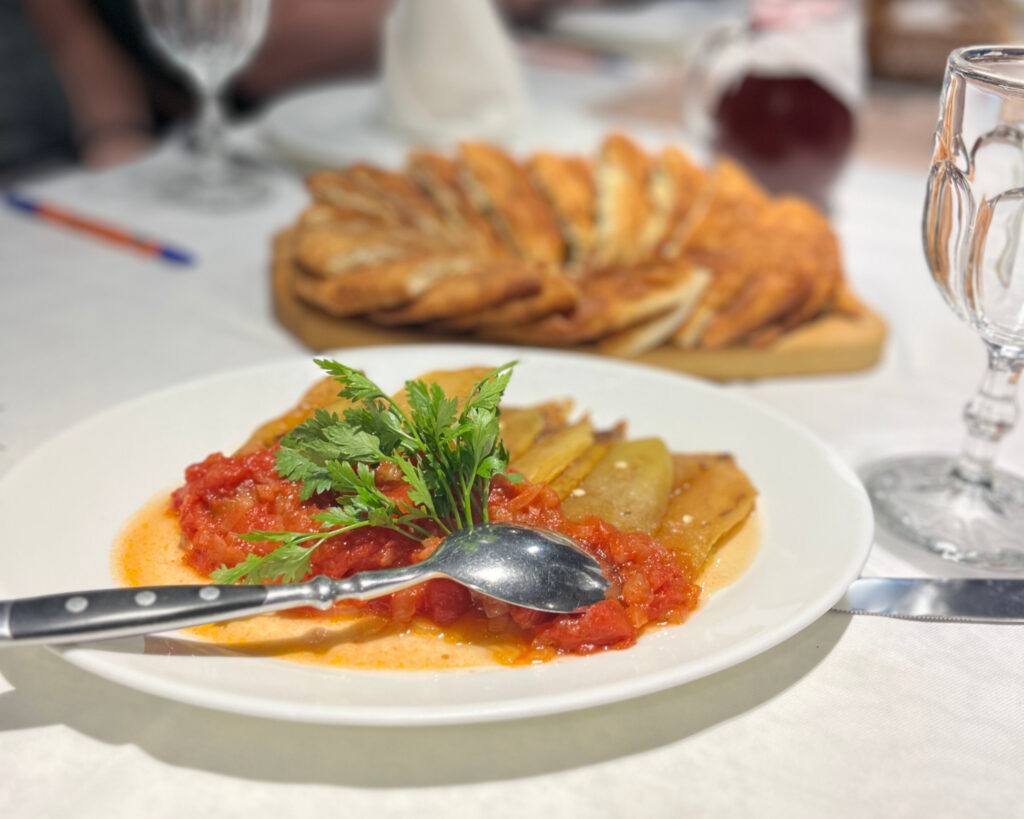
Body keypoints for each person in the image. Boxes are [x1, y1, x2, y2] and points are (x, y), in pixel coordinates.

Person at [3, 0, 591, 179]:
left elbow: (271, 50)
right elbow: (69, 24)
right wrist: (113, 134)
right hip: (196, 131)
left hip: (316, 140)